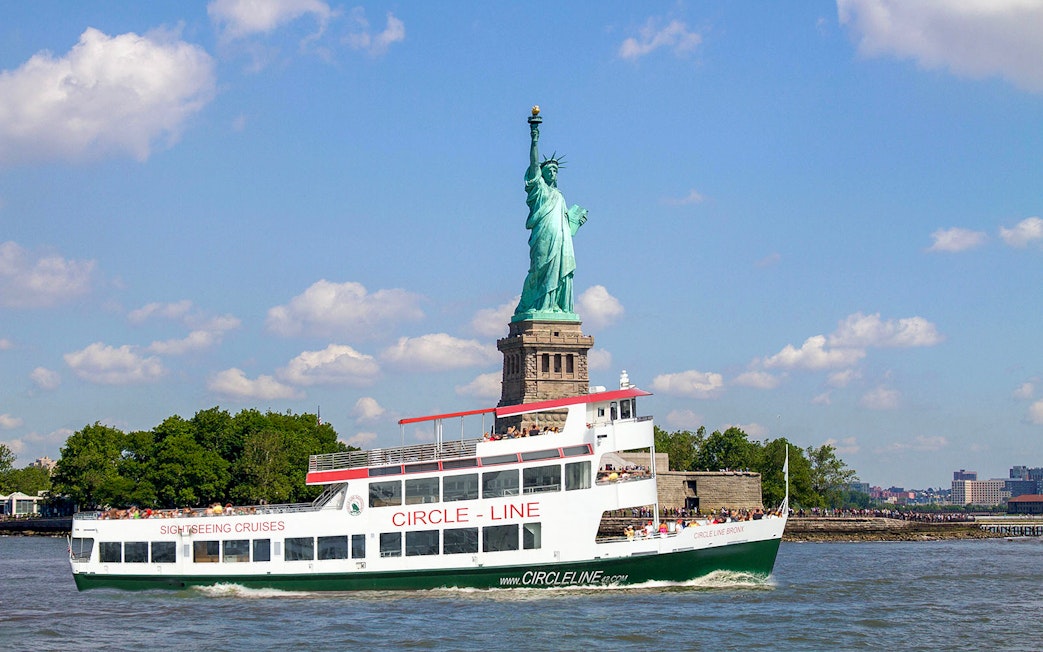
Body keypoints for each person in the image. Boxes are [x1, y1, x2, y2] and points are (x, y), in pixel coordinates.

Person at [513, 112, 587, 319]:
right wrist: (534, 138)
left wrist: (575, 223)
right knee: (540, 269)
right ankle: (538, 304)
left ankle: (556, 306)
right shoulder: (539, 189)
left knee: (561, 270)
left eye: (556, 170)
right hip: (543, 235)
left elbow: (566, 225)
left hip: (561, 239)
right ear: (542, 173)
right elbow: (534, 164)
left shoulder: (560, 196)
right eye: (549, 170)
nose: (553, 173)